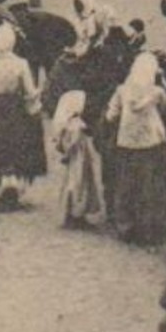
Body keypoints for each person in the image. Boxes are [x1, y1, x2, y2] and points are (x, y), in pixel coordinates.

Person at [0, 22, 47, 208]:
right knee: (15, 146)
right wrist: (37, 99)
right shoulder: (21, 64)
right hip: (15, 109)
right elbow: (30, 92)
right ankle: (12, 185)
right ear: (13, 42)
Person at [105, 51, 166, 245]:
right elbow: (164, 110)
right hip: (152, 143)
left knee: (126, 186)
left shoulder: (122, 90)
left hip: (126, 142)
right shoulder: (157, 92)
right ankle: (150, 229)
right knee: (151, 187)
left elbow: (111, 115)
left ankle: (126, 226)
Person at [52, 89, 103, 228]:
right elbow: (73, 143)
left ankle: (74, 213)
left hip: (78, 158)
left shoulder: (67, 124)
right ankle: (76, 213)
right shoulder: (77, 125)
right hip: (79, 158)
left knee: (76, 183)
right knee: (78, 184)